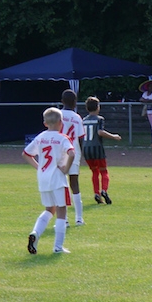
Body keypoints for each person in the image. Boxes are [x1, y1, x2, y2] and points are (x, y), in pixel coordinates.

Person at [23, 107, 75, 254]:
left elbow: (26, 154)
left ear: (45, 123)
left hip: (43, 178)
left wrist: (39, 167)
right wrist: (66, 169)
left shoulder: (40, 137)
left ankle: (35, 233)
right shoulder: (63, 138)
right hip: (58, 178)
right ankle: (58, 247)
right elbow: (71, 153)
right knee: (61, 211)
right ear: (60, 122)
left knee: (49, 209)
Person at [82, 97, 122, 204]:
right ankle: (104, 190)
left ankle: (96, 193)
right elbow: (100, 132)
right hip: (97, 148)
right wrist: (114, 136)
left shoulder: (84, 120)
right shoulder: (99, 119)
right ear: (98, 107)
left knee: (94, 171)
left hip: (86, 149)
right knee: (103, 171)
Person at [60, 89, 86, 226]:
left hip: (59, 154)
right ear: (75, 102)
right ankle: (79, 218)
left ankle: (64, 220)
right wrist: (81, 153)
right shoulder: (77, 117)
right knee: (75, 184)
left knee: (61, 185)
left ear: (62, 101)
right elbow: (81, 138)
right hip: (73, 152)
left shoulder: (57, 115)